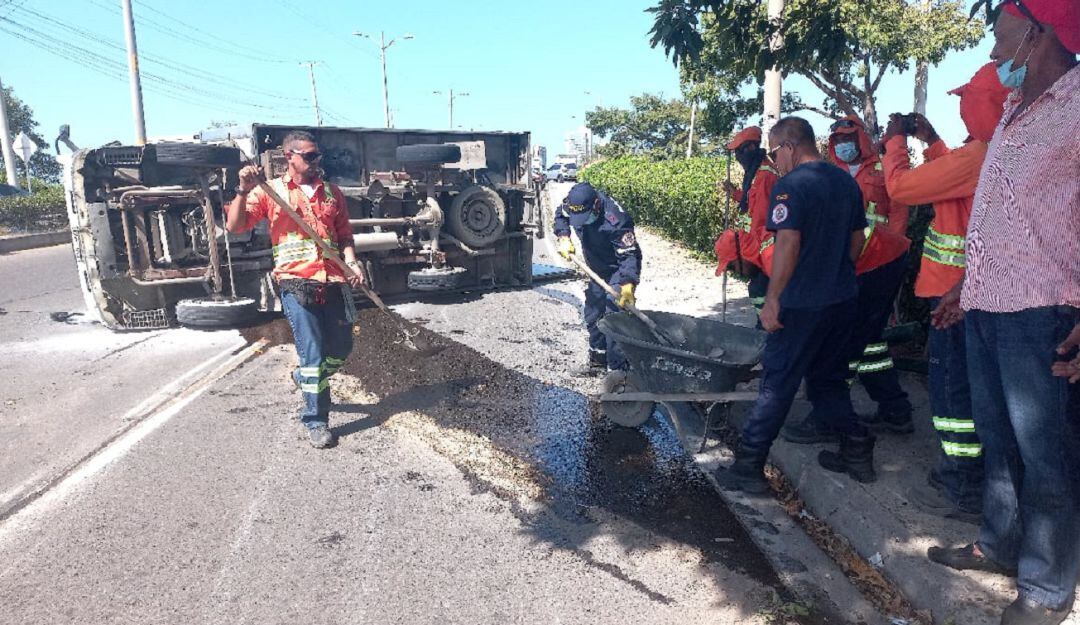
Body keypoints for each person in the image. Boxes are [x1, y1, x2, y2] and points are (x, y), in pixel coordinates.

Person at [925, 2, 1079, 623]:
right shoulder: (1017, 110)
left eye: (999, 38)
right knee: (997, 439)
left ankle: (1045, 590)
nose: (992, 54)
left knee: (1047, 454)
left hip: (1043, 309)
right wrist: (967, 285)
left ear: (1036, 35)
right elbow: (1002, 215)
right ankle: (999, 543)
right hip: (989, 304)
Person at [879, 62, 1011, 525]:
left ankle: (963, 484)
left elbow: (902, 187)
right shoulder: (990, 152)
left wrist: (895, 140)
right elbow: (949, 177)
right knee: (968, 386)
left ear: (983, 104)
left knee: (953, 389)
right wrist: (932, 140)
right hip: (972, 292)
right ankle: (966, 477)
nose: (960, 107)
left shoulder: (980, 156)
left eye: (965, 100)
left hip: (954, 295)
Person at [718, 116, 871, 495]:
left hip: (802, 303)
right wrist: (836, 271)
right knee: (827, 381)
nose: (775, 160)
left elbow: (786, 245)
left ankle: (748, 466)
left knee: (777, 382)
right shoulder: (844, 182)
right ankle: (857, 446)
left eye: (775, 152)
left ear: (789, 146)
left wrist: (773, 300)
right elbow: (857, 241)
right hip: (842, 299)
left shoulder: (791, 187)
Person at [226, 130, 364, 449]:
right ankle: (316, 420)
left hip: (332, 280)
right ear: (290, 157)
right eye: (310, 156)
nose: (317, 161)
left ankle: (304, 379)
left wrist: (353, 263)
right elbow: (235, 226)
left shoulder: (332, 193)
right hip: (295, 282)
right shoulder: (270, 192)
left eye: (318, 156)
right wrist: (242, 191)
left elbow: (344, 236)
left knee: (342, 348)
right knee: (313, 354)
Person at [826, 116, 913, 429]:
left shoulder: (882, 168)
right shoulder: (832, 173)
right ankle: (895, 408)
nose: (842, 144)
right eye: (837, 139)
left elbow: (900, 212)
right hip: (849, 262)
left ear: (860, 137)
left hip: (879, 261)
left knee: (848, 334)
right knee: (869, 338)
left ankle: (830, 412)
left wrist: (893, 254)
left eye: (847, 137)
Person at [554, 182, 642, 377]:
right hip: (596, 268)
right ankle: (597, 363)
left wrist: (627, 287)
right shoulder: (572, 206)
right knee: (593, 313)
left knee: (614, 315)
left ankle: (618, 373)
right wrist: (563, 237)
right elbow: (560, 215)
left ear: (595, 205)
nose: (581, 222)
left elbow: (629, 257)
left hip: (617, 269)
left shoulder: (616, 220)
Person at [718, 126, 780, 319]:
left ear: (751, 148)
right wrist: (735, 193)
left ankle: (766, 327)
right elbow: (750, 203)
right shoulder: (754, 174)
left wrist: (749, 254)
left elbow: (759, 219)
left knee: (760, 289)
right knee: (758, 288)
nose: (737, 156)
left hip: (764, 249)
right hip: (757, 248)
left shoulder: (764, 176)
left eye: (739, 151)